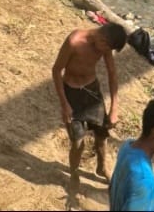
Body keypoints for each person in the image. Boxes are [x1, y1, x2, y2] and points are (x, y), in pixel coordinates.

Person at [52, 22, 127, 187]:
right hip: (71, 93)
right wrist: (64, 104)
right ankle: (74, 172)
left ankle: (101, 168)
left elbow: (112, 74)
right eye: (106, 48)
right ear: (102, 37)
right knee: (78, 141)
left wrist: (115, 108)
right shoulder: (74, 41)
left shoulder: (105, 47)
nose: (105, 52)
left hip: (92, 91)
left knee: (102, 134)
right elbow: (56, 70)